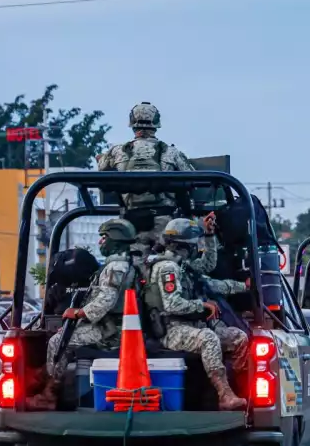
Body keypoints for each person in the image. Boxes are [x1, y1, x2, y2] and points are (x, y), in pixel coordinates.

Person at [148, 218, 249, 410]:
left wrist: (244, 287)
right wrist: (201, 305)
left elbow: (210, 274)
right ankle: (224, 395)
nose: (197, 248)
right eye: (195, 244)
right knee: (209, 338)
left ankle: (239, 391)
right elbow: (172, 304)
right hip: (172, 329)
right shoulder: (167, 268)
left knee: (238, 337)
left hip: (190, 326)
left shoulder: (184, 267)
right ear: (185, 245)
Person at [41, 219, 138, 406]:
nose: (101, 242)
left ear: (115, 239)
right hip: (109, 326)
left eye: (104, 237)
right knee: (63, 335)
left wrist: (78, 313)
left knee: (56, 342)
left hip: (111, 332)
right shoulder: (118, 264)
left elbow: (106, 300)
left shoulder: (116, 267)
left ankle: (49, 395)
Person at [96, 101, 196, 251]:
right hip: (164, 222)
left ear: (132, 124)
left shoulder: (117, 151)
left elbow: (101, 168)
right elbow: (191, 177)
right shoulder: (171, 152)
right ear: (156, 123)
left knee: (130, 264)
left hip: (130, 223)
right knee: (168, 265)